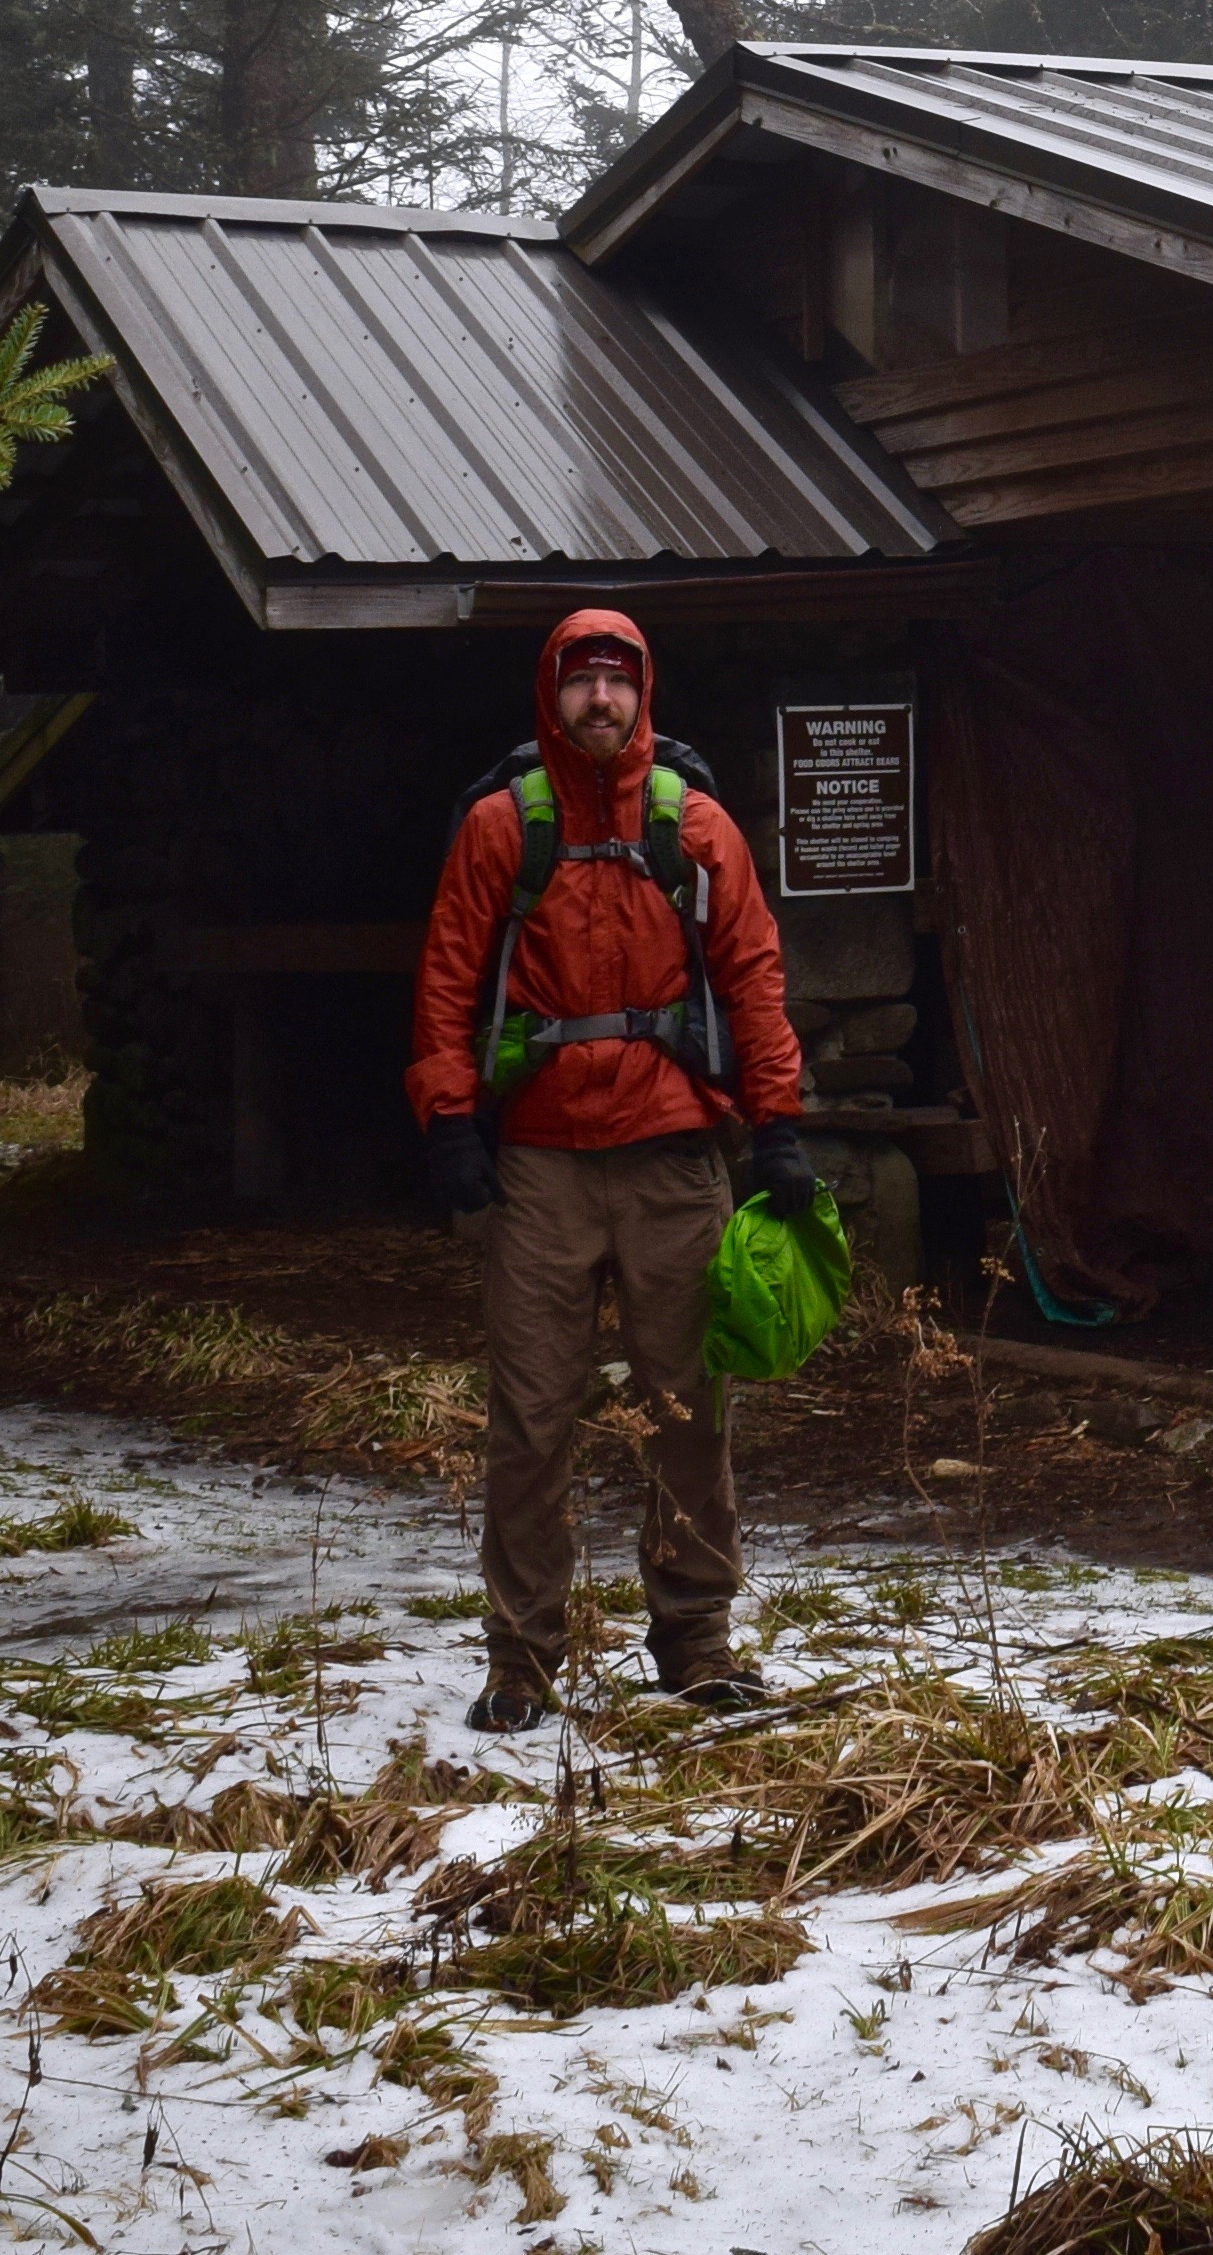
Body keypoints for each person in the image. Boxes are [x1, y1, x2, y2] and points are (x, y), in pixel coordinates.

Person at [408, 607, 809, 1731]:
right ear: (553, 693)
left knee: (689, 1409)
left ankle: (695, 1639)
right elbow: (446, 980)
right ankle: (521, 1657)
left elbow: (754, 981)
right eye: (580, 680)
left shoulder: (696, 828)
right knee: (531, 1415)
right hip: (539, 1164)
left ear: (644, 695)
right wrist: (449, 1119)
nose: (599, 699)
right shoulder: (501, 826)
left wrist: (777, 1124)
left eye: (616, 681)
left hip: (675, 1159)